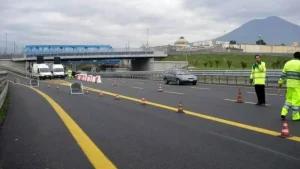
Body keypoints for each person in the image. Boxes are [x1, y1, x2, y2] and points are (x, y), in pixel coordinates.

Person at [278, 51, 300, 121]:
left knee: (289, 100)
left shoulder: (287, 63)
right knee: (296, 101)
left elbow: (283, 75)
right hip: (297, 85)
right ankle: (295, 116)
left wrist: (280, 83)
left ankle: (283, 112)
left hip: (289, 85)